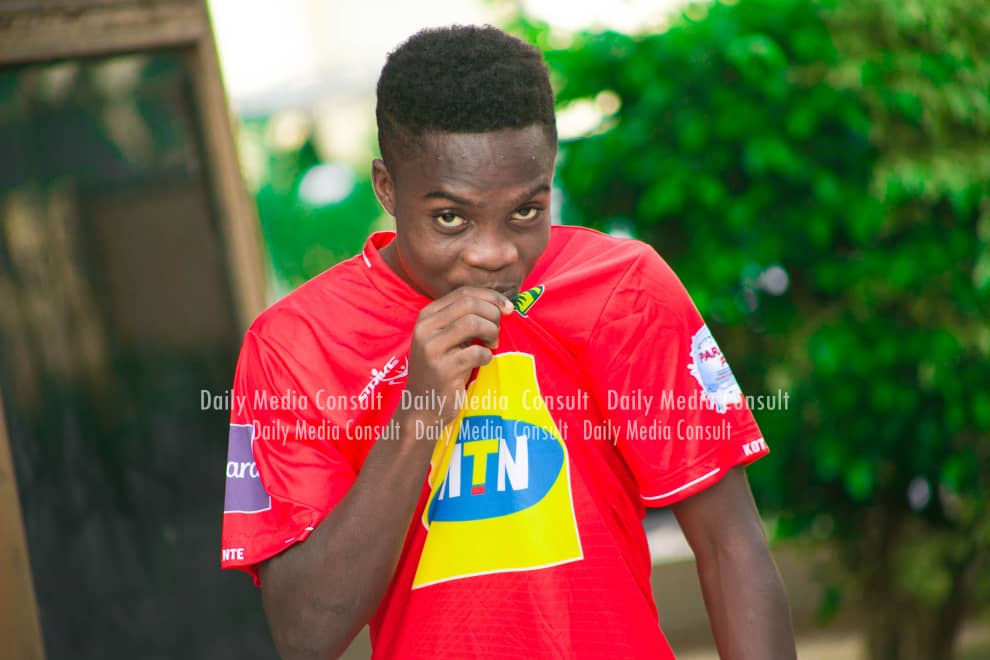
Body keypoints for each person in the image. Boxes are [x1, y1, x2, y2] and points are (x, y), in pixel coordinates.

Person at [221, 25, 796, 660]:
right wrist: (419, 411)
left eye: (525, 211)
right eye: (450, 218)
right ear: (387, 188)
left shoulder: (625, 290)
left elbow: (731, 546)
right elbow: (305, 635)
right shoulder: (294, 347)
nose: (494, 254)